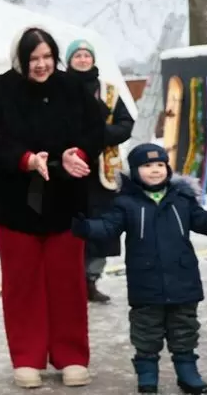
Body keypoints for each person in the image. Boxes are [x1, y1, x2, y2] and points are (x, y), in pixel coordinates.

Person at [0, 26, 104, 388]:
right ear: (21, 59)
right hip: (16, 207)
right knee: (22, 284)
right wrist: (26, 159)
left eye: (48, 57)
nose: (42, 65)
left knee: (68, 283)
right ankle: (27, 358)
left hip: (66, 204)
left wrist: (77, 153)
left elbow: (96, 131)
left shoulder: (73, 89)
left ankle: (72, 356)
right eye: (35, 59)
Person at [73, 143, 207, 394]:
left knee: (185, 330)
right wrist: (84, 226)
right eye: (147, 166)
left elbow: (206, 223)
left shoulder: (182, 199)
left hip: (183, 281)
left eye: (160, 164)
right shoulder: (125, 203)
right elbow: (107, 227)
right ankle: (147, 376)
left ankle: (188, 373)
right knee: (146, 334)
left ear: (168, 168)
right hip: (145, 282)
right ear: (135, 171)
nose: (155, 170)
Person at [65, 39, 135, 303]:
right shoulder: (60, 89)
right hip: (70, 173)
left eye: (86, 55)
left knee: (102, 229)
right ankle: (72, 281)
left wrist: (99, 135)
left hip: (102, 175)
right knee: (72, 229)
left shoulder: (109, 91)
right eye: (78, 56)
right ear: (69, 60)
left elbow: (126, 124)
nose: (83, 60)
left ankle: (91, 279)